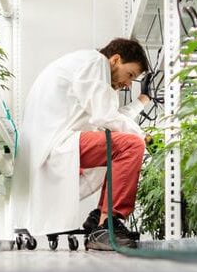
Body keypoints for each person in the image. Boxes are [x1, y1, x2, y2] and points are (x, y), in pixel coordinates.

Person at [11, 37, 151, 251]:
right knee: (131, 146)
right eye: (130, 74)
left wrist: (142, 102)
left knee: (122, 145)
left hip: (50, 143)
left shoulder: (83, 64)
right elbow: (105, 116)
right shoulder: (95, 62)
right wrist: (142, 137)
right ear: (115, 59)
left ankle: (99, 219)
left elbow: (110, 117)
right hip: (58, 144)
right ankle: (107, 225)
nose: (127, 84)